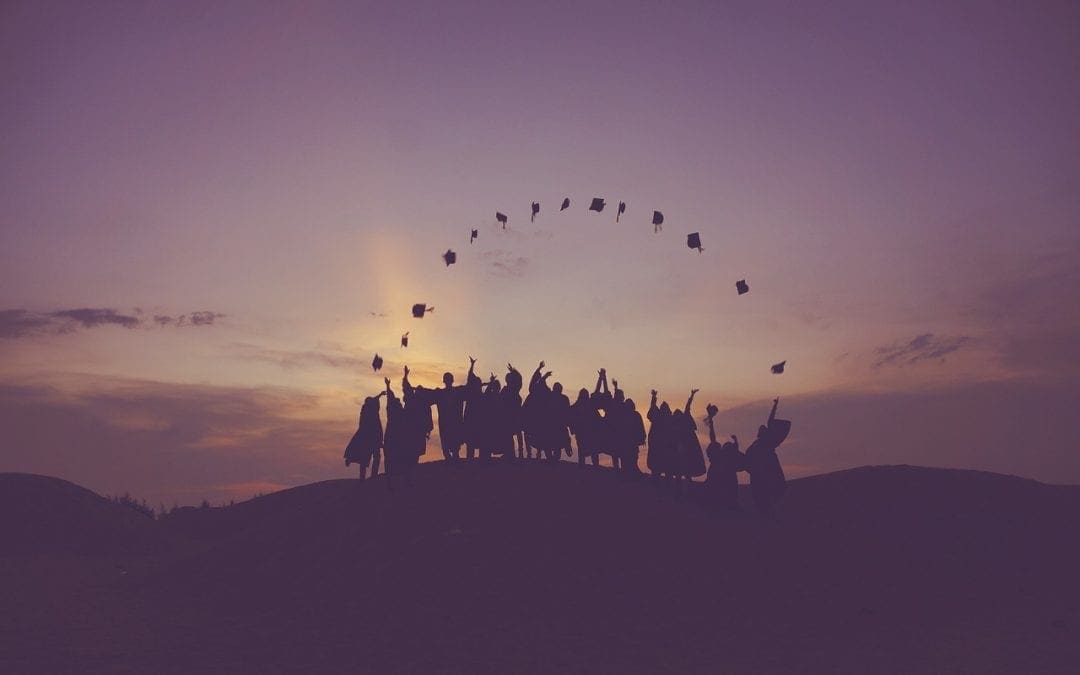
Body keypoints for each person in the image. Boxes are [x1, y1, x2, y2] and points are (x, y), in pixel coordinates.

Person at [745, 397, 790, 517]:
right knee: (761, 495)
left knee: (773, 490)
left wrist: (775, 405)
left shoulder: (768, 442)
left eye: (763, 429)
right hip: (759, 474)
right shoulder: (756, 445)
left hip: (769, 470)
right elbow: (748, 458)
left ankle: (772, 512)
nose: (761, 430)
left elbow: (770, 420)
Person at [703, 404, 744, 511]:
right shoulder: (719, 457)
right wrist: (711, 420)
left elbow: (713, 437)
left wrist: (736, 442)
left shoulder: (723, 458)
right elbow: (712, 437)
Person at [433, 359, 471, 460]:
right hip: (449, 423)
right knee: (450, 443)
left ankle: (452, 456)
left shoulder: (444, 393)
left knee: (452, 443)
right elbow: (470, 387)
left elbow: (470, 387)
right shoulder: (444, 393)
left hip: (452, 422)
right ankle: (451, 456)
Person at [344, 391, 384, 480]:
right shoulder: (369, 412)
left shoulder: (366, 410)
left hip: (370, 438)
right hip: (371, 438)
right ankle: (371, 476)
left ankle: (367, 477)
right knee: (370, 457)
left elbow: (374, 400)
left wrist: (380, 395)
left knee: (368, 457)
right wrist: (380, 395)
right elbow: (374, 400)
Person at [647, 390, 674, 481]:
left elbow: (652, 409)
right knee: (658, 468)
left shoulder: (667, 420)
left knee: (664, 468)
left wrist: (654, 398)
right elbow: (652, 409)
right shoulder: (659, 418)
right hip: (658, 446)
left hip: (664, 447)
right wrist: (653, 398)